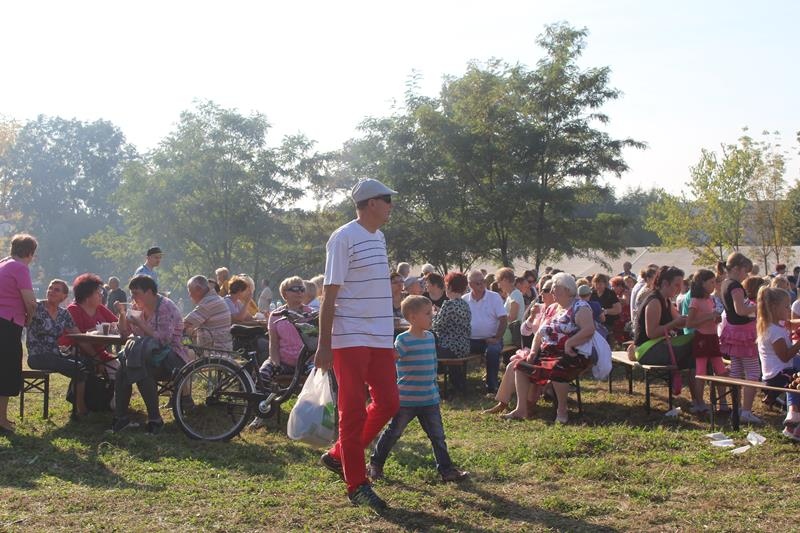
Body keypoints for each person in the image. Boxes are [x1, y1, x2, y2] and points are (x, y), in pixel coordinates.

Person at [315, 178, 400, 510]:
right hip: (349, 337)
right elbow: (329, 295)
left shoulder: (378, 237)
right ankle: (356, 485)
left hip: (379, 336)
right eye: (387, 199)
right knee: (350, 411)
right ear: (371, 203)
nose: (391, 205)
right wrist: (324, 344)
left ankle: (340, 454)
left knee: (389, 402)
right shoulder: (343, 237)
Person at [368, 296, 468, 482]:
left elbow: (432, 366)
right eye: (428, 313)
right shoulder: (403, 340)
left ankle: (446, 470)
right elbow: (391, 359)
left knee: (438, 437)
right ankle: (376, 463)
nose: (432, 316)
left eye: (432, 312)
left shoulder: (430, 337)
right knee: (393, 433)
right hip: (407, 399)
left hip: (429, 398)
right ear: (413, 318)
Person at [502, 273, 595, 423]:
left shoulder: (580, 307)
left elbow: (589, 330)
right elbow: (539, 333)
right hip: (547, 353)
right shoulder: (552, 308)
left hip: (571, 354)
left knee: (557, 368)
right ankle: (521, 409)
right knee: (520, 366)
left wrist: (569, 343)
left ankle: (562, 410)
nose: (551, 291)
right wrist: (533, 351)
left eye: (554, 288)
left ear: (566, 289)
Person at [114, 275, 190, 434]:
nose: (133, 298)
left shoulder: (166, 307)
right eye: (132, 294)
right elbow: (124, 334)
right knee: (122, 370)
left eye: (136, 293)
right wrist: (121, 314)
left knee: (140, 369)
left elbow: (164, 339)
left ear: (149, 292)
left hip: (172, 357)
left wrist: (140, 323)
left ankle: (155, 420)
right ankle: (121, 418)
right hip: (146, 355)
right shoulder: (137, 306)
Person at [483, 279, 557, 415]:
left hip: (547, 353)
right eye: (541, 290)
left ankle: (527, 404)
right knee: (512, 366)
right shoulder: (539, 308)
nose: (542, 293)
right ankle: (503, 403)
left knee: (523, 366)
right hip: (535, 350)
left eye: (546, 290)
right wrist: (531, 317)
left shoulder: (558, 311)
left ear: (555, 292)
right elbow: (524, 331)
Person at [26, 279, 92, 418]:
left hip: (55, 355)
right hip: (37, 356)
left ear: (64, 296)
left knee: (87, 363)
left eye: (57, 290)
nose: (51, 291)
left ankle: (80, 403)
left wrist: (92, 336)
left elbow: (77, 335)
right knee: (78, 367)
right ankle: (81, 409)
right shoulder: (36, 307)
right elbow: (25, 322)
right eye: (50, 288)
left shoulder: (64, 314)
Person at [0, 234, 37, 432]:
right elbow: (30, 302)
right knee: (6, 370)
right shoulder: (20, 268)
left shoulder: (3, 264)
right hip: (8, 324)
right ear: (30, 253)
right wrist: (29, 319)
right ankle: (1, 420)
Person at [718, 253, 761, 424]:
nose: (746, 275)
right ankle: (746, 411)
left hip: (732, 331)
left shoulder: (725, 283)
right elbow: (741, 310)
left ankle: (736, 409)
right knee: (753, 372)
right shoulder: (735, 286)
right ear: (736, 268)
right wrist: (757, 306)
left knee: (736, 370)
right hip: (743, 333)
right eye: (745, 271)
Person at [756, 287, 800, 441]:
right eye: (786, 306)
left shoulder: (776, 325)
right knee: (796, 379)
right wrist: (798, 343)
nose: (789, 309)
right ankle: (793, 415)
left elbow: (791, 324)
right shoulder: (773, 331)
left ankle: (792, 425)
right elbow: (785, 356)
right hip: (777, 375)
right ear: (774, 308)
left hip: (781, 371)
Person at [685, 269, 727, 414]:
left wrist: (715, 319)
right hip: (702, 338)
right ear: (702, 283)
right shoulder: (695, 301)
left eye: (715, 282)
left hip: (713, 337)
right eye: (711, 282)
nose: (714, 285)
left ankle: (723, 402)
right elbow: (690, 323)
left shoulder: (710, 299)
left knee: (721, 370)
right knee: (701, 372)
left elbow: (710, 317)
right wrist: (709, 317)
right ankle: (700, 402)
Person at [463, 270, 508, 395]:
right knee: (455, 350)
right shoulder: (464, 299)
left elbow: (503, 319)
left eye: (483, 281)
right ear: (470, 284)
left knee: (493, 351)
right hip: (471, 340)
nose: (482, 284)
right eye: (478, 283)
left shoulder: (494, 297)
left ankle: (492, 386)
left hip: (491, 338)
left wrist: (497, 338)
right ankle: (458, 385)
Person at [63, 273, 119, 364]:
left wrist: (122, 314)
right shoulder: (73, 310)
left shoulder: (100, 308)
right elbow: (80, 339)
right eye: (98, 292)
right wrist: (97, 360)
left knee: (120, 367)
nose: (102, 295)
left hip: (99, 353)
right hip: (77, 355)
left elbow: (117, 324)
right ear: (87, 296)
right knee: (115, 368)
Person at [431, 272, 471, 389]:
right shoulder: (465, 304)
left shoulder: (448, 305)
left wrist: (433, 316)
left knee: (425, 350)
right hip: (464, 347)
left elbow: (437, 327)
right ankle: (457, 383)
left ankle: (430, 382)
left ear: (449, 287)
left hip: (450, 347)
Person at [183, 275, 232, 351]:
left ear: (198, 289)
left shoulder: (208, 302)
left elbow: (185, 324)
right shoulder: (215, 298)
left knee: (182, 350)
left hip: (214, 352)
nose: (190, 295)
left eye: (190, 291)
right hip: (222, 349)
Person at [590, 273, 621, 338]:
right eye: (596, 284)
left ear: (605, 284)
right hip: (594, 324)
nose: (598, 286)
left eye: (600, 284)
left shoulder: (610, 293)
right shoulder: (591, 293)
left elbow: (618, 309)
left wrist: (605, 311)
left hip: (609, 324)